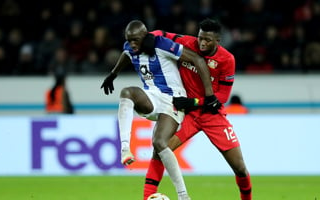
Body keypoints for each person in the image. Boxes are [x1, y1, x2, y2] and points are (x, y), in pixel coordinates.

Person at [100, 20, 221, 200]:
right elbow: (126, 54)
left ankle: (183, 196)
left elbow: (197, 59)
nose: (132, 44)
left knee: (159, 143)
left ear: (144, 36)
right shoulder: (129, 47)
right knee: (127, 92)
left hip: (173, 100)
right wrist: (113, 74)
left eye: (136, 40)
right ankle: (125, 149)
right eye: (129, 40)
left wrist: (209, 95)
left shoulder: (161, 45)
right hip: (152, 97)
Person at [143, 18, 252, 200]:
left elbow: (222, 97)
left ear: (218, 41)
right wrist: (146, 37)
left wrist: (192, 102)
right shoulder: (186, 42)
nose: (201, 42)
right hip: (187, 116)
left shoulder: (227, 59)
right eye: (200, 37)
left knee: (240, 168)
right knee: (160, 149)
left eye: (207, 40)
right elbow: (162, 35)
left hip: (212, 116)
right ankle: (146, 196)